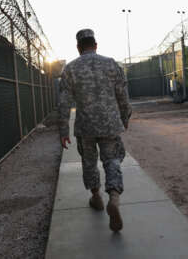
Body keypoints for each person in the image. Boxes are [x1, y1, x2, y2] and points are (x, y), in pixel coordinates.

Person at [58, 29, 132, 232]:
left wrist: (63, 130)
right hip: (109, 124)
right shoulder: (111, 64)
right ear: (96, 45)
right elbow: (123, 95)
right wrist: (125, 117)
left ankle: (97, 197)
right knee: (112, 160)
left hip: (86, 126)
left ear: (78, 47)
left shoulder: (70, 69)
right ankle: (114, 198)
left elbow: (63, 103)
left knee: (89, 162)